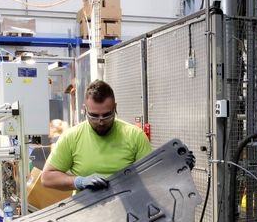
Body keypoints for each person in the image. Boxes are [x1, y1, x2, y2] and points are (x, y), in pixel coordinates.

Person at [41, 80, 193, 192]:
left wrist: (177, 168)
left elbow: (151, 178)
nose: (100, 122)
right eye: (94, 116)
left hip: (129, 215)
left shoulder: (134, 136)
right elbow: (46, 178)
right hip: (85, 217)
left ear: (115, 107)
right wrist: (79, 181)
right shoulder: (71, 137)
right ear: (84, 109)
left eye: (106, 115)